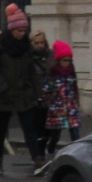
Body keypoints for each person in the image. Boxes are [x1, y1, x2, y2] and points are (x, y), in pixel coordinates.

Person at [0, 4, 44, 176]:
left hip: (23, 93)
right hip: (4, 94)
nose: (22, 33)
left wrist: (37, 92)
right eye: (19, 30)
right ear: (11, 29)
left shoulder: (26, 46)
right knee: (1, 129)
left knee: (29, 127)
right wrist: (3, 86)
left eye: (24, 30)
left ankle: (37, 158)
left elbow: (31, 71)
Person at [39, 40, 80, 175]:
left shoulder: (71, 74)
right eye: (64, 60)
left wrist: (75, 101)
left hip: (70, 106)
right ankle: (49, 152)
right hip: (57, 108)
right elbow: (46, 90)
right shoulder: (52, 75)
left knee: (75, 132)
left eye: (69, 60)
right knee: (55, 135)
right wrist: (47, 100)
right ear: (58, 60)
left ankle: (78, 153)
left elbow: (74, 88)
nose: (67, 63)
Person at [30, 30, 53, 159]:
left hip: (49, 97)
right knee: (38, 128)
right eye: (36, 43)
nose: (40, 45)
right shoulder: (29, 59)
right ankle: (39, 154)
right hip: (35, 98)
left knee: (49, 129)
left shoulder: (51, 55)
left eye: (42, 42)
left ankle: (44, 150)